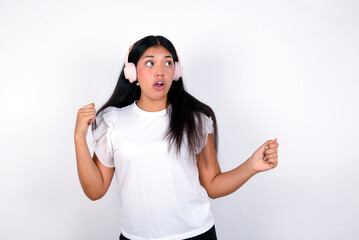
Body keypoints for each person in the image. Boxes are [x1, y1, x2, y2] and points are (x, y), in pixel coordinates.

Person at [74, 35, 279, 240]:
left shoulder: (195, 120)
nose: (160, 71)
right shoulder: (112, 121)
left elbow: (213, 185)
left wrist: (251, 166)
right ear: (132, 71)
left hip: (195, 234)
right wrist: (79, 139)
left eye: (168, 63)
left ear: (176, 71)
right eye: (150, 63)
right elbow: (95, 190)